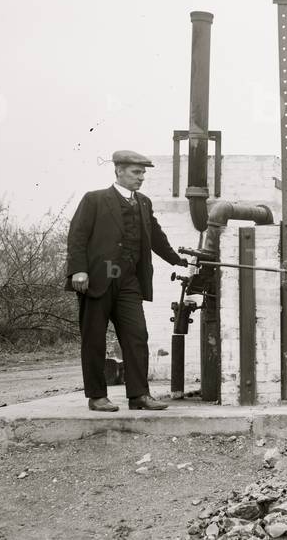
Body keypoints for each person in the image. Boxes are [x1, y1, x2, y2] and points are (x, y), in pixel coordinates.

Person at [66, 150, 189, 411]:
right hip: (98, 279)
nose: (141, 177)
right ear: (119, 171)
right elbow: (77, 236)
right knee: (94, 339)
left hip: (129, 281)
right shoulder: (95, 199)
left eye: (143, 172)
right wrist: (79, 270)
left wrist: (177, 260)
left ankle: (139, 395)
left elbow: (156, 236)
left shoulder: (143, 202)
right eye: (136, 172)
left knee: (137, 335)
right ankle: (97, 396)